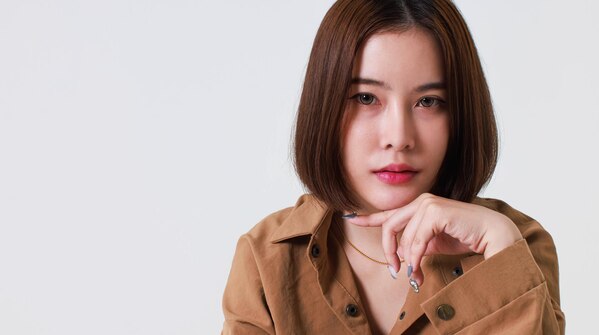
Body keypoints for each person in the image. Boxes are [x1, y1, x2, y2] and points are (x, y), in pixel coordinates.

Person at [222, 0, 565, 334]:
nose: (399, 137)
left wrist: (502, 250)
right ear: (325, 105)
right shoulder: (267, 259)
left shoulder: (516, 245)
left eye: (428, 102)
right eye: (366, 98)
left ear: (460, 114)